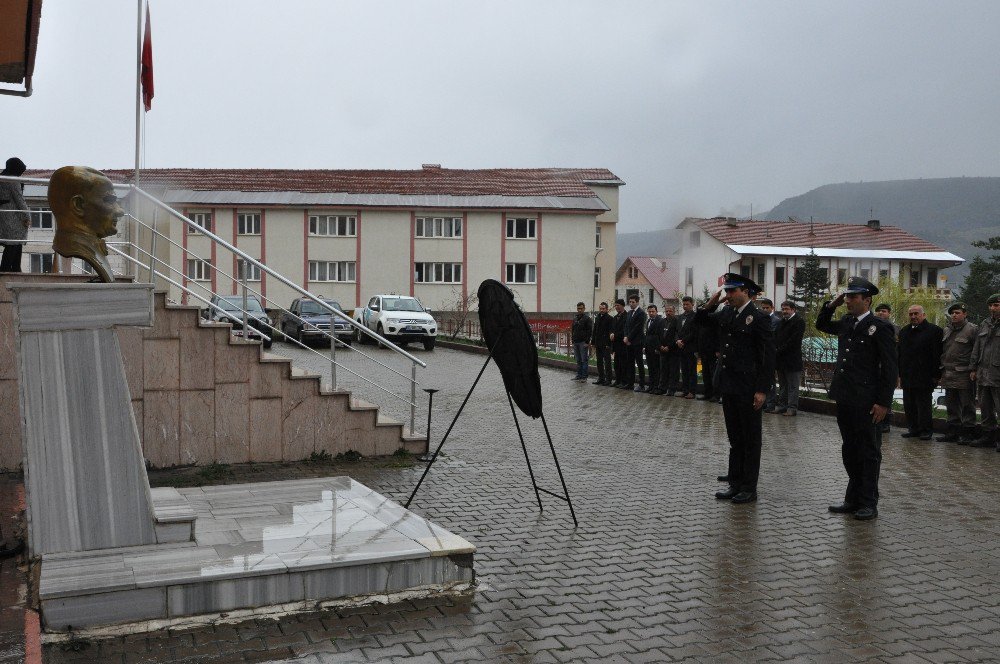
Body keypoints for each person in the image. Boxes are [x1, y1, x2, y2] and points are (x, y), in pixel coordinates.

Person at [817, 276, 898, 521]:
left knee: (869, 451)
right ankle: (852, 499)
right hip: (845, 396)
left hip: (867, 400)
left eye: (853, 297)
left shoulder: (880, 327)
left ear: (867, 300)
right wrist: (833, 304)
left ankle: (868, 502)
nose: (848, 301)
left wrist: (884, 402)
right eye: (847, 296)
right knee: (849, 450)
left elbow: (890, 367)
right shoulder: (846, 322)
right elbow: (822, 323)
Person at [695, 273, 774, 504]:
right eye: (727, 291)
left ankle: (749, 487)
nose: (728, 295)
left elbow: (767, 358)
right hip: (729, 385)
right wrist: (709, 305)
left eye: (732, 291)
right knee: (736, 438)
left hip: (749, 387)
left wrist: (762, 390)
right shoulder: (727, 313)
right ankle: (735, 483)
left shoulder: (759, 318)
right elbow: (701, 321)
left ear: (746, 292)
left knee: (751, 439)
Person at [49, 166, 125, 282]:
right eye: (109, 200)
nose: (120, 211)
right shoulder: (78, 248)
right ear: (78, 205)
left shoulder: (94, 247)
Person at [897, 305, 943, 441]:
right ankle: (913, 428)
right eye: (910, 314)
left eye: (916, 314)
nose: (913, 317)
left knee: (923, 405)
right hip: (908, 374)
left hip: (925, 375)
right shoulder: (904, 331)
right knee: (909, 404)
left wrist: (936, 375)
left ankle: (926, 430)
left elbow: (937, 354)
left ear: (923, 315)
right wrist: (900, 373)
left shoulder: (934, 331)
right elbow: (901, 354)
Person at [938, 303, 978, 444]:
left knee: (967, 405)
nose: (954, 315)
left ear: (965, 314)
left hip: (964, 374)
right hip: (948, 373)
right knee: (951, 405)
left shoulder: (972, 330)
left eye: (957, 312)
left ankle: (968, 433)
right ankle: (952, 432)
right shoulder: (947, 330)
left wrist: (973, 369)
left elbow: (976, 351)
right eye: (952, 313)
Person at [969, 294, 1000, 449]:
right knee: (985, 406)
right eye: (991, 305)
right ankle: (988, 436)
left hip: (997, 373)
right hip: (983, 373)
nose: (993, 308)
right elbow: (977, 347)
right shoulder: (985, 323)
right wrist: (973, 367)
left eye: (996, 305)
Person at [774, 301, 805, 416]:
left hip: (792, 360)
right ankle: (782, 406)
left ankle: (792, 408)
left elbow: (794, 341)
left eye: (786, 309)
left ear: (793, 310)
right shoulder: (781, 322)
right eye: (783, 309)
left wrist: (779, 350)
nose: (784, 311)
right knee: (783, 385)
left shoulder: (799, 322)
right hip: (781, 359)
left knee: (793, 385)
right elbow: (776, 337)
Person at [0, 157, 29, 273]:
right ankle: (8, 269)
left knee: (14, 242)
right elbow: (19, 199)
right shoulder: (13, 180)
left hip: (4, 215)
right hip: (13, 215)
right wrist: (27, 216)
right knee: (14, 242)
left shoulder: (3, 178)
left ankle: (15, 268)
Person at [873, 302, 898, 433]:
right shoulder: (871, 326)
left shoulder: (895, 328)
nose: (881, 313)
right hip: (874, 368)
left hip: (888, 368)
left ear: (889, 314)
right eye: (879, 311)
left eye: (884, 311)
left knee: (887, 395)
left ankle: (886, 421)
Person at [758, 298, 782, 412]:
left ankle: (771, 403)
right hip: (761, 354)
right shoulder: (759, 318)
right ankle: (764, 402)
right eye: (763, 308)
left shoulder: (776, 320)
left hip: (770, 354)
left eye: (767, 308)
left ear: (772, 308)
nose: (765, 310)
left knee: (770, 380)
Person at [620, 294, 646, 390]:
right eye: (630, 302)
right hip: (628, 342)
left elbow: (637, 328)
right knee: (630, 363)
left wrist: (629, 338)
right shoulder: (630, 313)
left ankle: (642, 384)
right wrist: (625, 336)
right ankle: (630, 383)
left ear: (637, 302)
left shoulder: (641, 313)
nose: (631, 304)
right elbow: (626, 326)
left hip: (637, 342)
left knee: (639, 363)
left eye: (633, 302)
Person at [695, 303, 720, 402]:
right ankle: (707, 393)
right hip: (703, 350)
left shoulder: (714, 319)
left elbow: (718, 335)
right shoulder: (701, 322)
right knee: (705, 373)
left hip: (712, 351)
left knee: (713, 373)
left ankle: (716, 394)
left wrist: (718, 350)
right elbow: (698, 337)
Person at [675, 296, 698, 398]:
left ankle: (692, 392)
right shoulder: (680, 317)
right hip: (681, 347)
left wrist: (683, 341)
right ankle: (685, 390)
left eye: (687, 304)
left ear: (692, 304)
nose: (685, 306)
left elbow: (694, 332)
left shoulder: (696, 316)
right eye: (683, 304)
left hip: (690, 347)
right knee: (684, 370)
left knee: (691, 371)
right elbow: (676, 331)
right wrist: (677, 340)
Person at [657, 305, 681, 395]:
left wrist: (669, 347)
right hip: (662, 350)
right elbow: (658, 335)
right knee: (663, 370)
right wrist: (660, 346)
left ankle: (672, 389)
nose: (668, 313)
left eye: (670, 311)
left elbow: (677, 335)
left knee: (673, 371)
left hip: (673, 350)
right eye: (667, 311)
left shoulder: (677, 321)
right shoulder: (662, 321)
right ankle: (662, 388)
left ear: (674, 311)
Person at [641, 304, 664, 393]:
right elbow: (647, 335)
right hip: (648, 348)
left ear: (656, 312)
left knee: (656, 368)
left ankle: (655, 386)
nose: (651, 313)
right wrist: (644, 346)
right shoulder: (648, 321)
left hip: (655, 349)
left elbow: (659, 336)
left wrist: (658, 348)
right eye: (649, 311)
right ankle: (650, 386)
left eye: (653, 311)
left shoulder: (660, 321)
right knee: (650, 368)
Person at [590, 302, 613, 385]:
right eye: (600, 308)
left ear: (607, 309)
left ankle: (608, 379)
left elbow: (610, 332)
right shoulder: (598, 317)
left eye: (603, 309)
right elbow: (595, 330)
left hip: (606, 344)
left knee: (607, 362)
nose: (602, 310)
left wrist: (609, 344)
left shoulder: (610, 318)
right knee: (599, 362)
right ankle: (601, 378)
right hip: (598, 343)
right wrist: (593, 342)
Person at [570, 302, 593, 381]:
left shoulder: (587, 319)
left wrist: (587, 342)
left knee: (584, 360)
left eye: (581, 308)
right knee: (578, 360)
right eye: (578, 308)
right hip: (576, 342)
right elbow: (573, 330)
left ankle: (584, 376)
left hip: (583, 342)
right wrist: (572, 340)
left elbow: (590, 331)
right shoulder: (575, 318)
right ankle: (578, 375)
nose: (579, 310)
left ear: (584, 309)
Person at [609, 299, 627, 387]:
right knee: (616, 364)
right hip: (616, 344)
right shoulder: (615, 317)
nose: (616, 307)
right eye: (615, 306)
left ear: (623, 306)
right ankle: (617, 380)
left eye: (618, 305)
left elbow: (625, 330)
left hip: (623, 344)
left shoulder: (627, 316)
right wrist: (611, 334)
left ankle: (624, 381)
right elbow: (612, 329)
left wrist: (615, 335)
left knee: (623, 364)